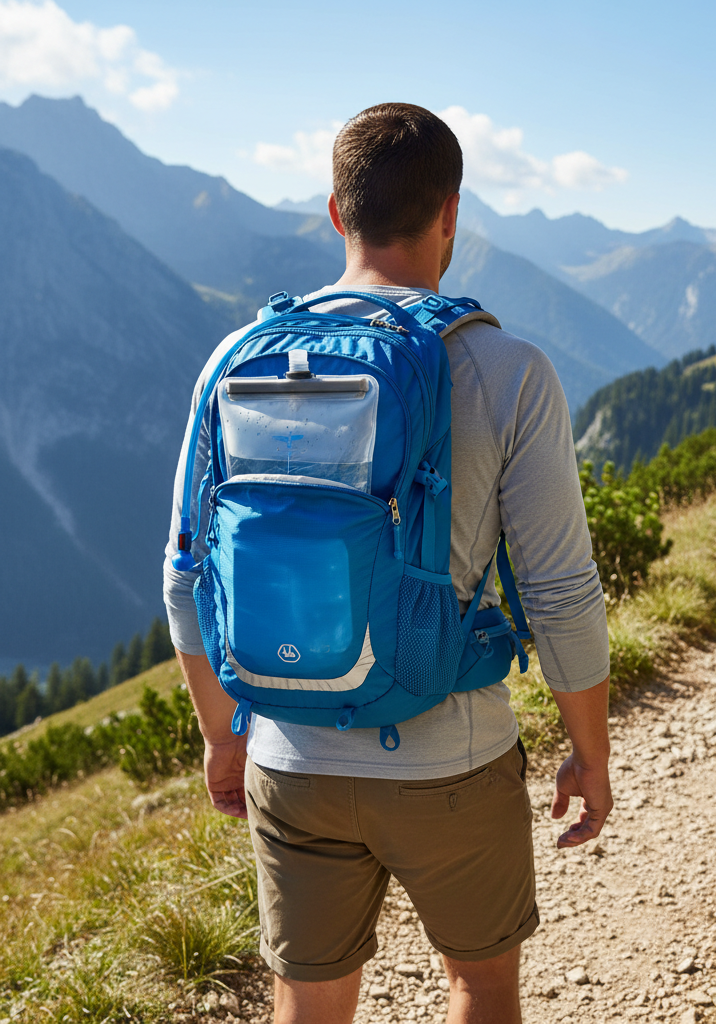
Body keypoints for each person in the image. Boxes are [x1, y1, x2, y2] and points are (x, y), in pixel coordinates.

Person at [163, 102, 612, 1024]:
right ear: (451, 214)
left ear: (336, 212)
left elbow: (183, 577)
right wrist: (589, 751)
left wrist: (223, 736)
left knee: (310, 998)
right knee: (479, 984)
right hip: (452, 753)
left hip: (290, 754)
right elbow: (561, 590)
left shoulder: (236, 361)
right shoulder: (507, 369)